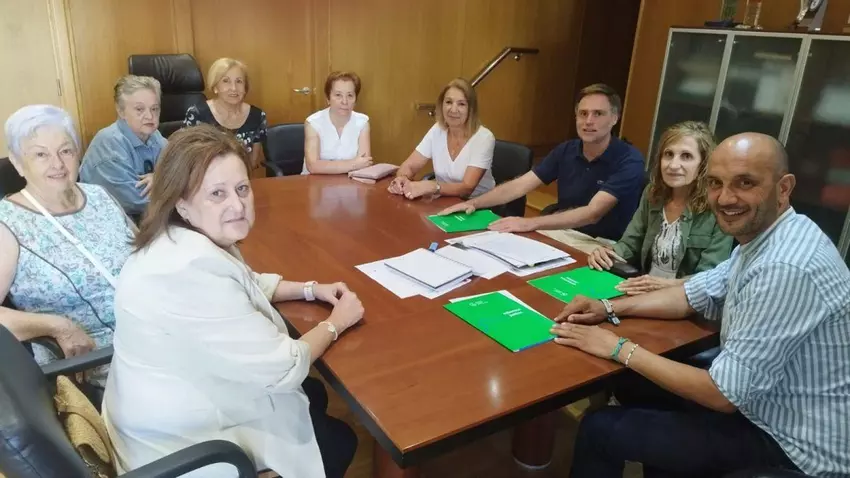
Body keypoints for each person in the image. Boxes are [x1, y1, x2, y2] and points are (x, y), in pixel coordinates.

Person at [552, 133, 850, 478]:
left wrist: (618, 347)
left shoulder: (785, 267)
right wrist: (608, 307)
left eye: (745, 183)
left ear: (783, 188)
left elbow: (723, 395)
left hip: (789, 444)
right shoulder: (769, 235)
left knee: (600, 430)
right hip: (761, 404)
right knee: (634, 386)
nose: (725, 198)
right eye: (715, 183)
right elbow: (692, 293)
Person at [102, 124, 361, 478]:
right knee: (341, 440)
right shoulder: (188, 271)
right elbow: (284, 368)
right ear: (182, 203)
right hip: (188, 449)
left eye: (242, 188)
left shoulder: (176, 237)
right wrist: (337, 322)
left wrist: (311, 289)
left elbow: (245, 283)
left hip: (161, 411)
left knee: (314, 394)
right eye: (217, 194)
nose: (237, 205)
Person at [0, 105, 135, 387]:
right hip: (93, 366)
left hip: (153, 335)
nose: (58, 164)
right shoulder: (8, 223)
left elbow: (145, 255)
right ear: (17, 162)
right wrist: (57, 326)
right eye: (41, 154)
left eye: (66, 151)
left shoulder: (100, 197)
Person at [438, 83, 644, 239]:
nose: (588, 121)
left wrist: (530, 223)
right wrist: (473, 203)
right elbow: (520, 185)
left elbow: (593, 213)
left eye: (598, 114)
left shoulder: (629, 160)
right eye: (583, 114)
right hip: (561, 231)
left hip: (602, 244)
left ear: (614, 118)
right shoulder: (567, 150)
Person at [588, 121, 732, 295]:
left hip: (685, 298)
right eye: (669, 154)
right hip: (641, 290)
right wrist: (607, 253)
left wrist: (667, 285)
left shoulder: (719, 206)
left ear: (703, 164)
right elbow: (629, 244)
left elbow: (711, 278)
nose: (673, 165)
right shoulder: (653, 193)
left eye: (686, 156)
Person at [388, 77, 495, 200]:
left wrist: (433, 187)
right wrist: (402, 179)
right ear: (441, 105)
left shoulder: (484, 138)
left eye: (461, 104)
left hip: (478, 203)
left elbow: (467, 188)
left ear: (471, 109)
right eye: (448, 102)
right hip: (444, 200)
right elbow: (410, 166)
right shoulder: (437, 130)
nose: (453, 109)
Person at [80, 75, 167, 221]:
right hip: (111, 225)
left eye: (154, 109)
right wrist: (167, 181)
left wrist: (160, 177)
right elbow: (139, 200)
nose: (149, 116)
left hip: (147, 221)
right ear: (121, 112)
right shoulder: (109, 145)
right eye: (139, 109)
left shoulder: (154, 135)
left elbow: (182, 167)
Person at [184, 57, 267, 170]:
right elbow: (188, 159)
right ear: (215, 87)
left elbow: (252, 163)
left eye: (239, 81)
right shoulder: (197, 114)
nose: (233, 88)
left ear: (245, 88)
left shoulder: (257, 116)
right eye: (226, 81)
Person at [302, 71, 372, 174]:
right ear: (328, 98)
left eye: (350, 95)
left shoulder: (362, 122)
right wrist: (354, 164)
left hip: (350, 181)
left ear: (355, 99)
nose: (344, 101)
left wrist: (327, 166)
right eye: (338, 95)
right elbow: (313, 166)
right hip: (314, 181)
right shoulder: (313, 122)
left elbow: (364, 163)